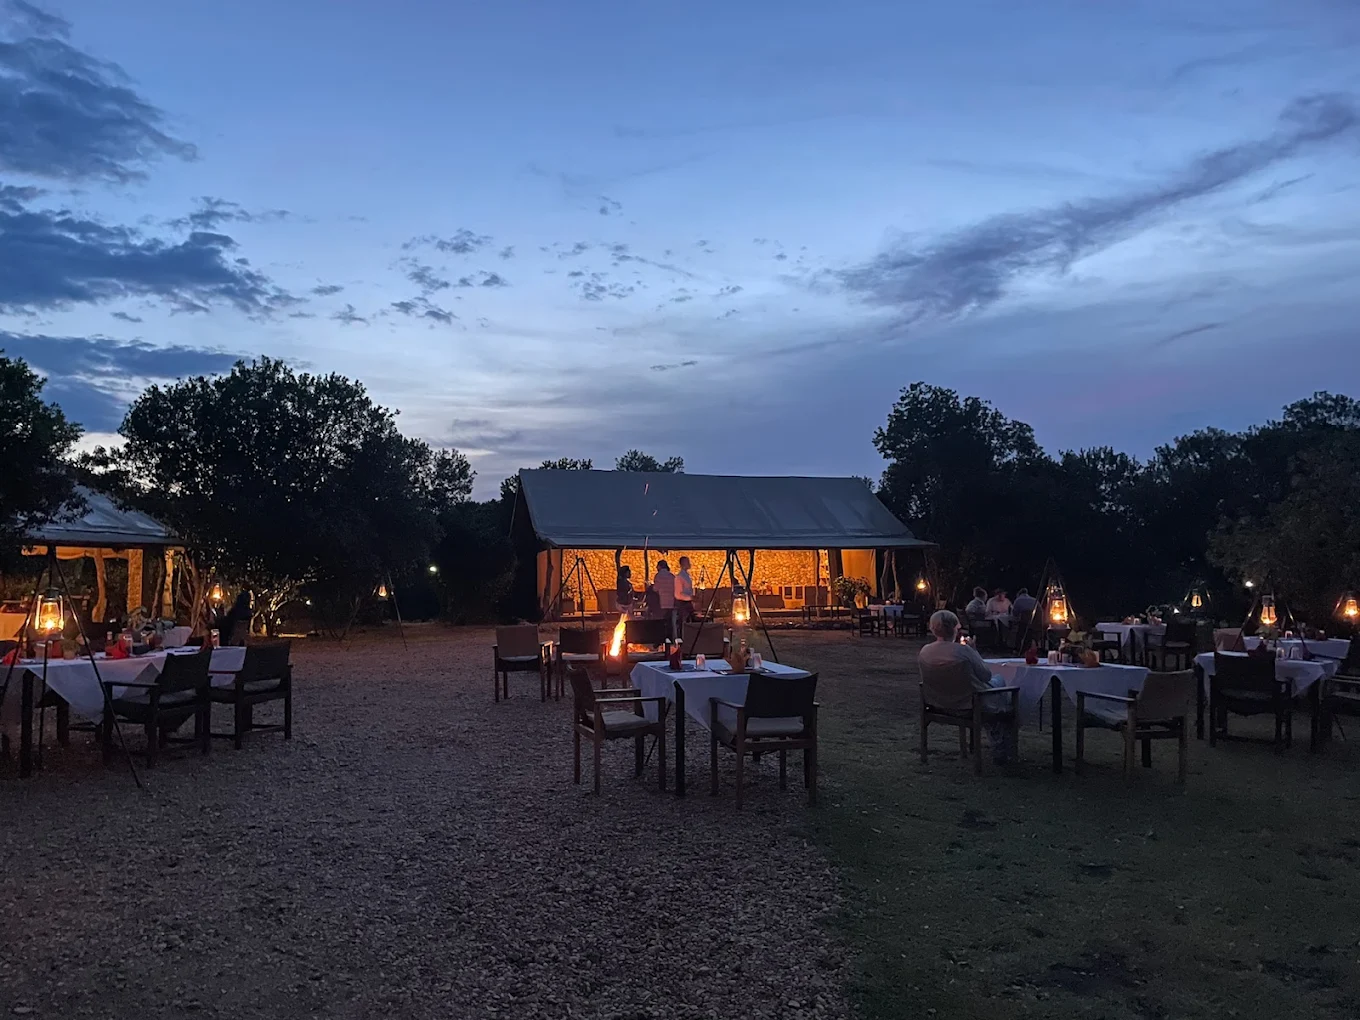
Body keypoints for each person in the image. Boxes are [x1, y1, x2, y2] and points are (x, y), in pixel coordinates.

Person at [917, 609, 1015, 763]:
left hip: (938, 703)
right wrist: (974, 651)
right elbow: (985, 675)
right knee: (1000, 684)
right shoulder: (963, 651)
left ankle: (998, 741)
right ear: (955, 628)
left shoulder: (925, 651)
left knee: (995, 688)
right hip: (968, 705)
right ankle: (1001, 745)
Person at [653, 559, 676, 630]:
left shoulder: (658, 576)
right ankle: (670, 634)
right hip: (671, 602)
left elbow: (655, 589)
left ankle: (663, 633)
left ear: (660, 566)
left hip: (661, 601)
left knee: (662, 621)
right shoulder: (672, 576)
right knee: (670, 621)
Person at [674, 556, 695, 623]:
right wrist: (690, 597)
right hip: (682, 604)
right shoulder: (680, 577)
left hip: (688, 603)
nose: (689, 564)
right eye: (687, 562)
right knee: (684, 623)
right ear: (683, 563)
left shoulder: (687, 576)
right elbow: (677, 594)